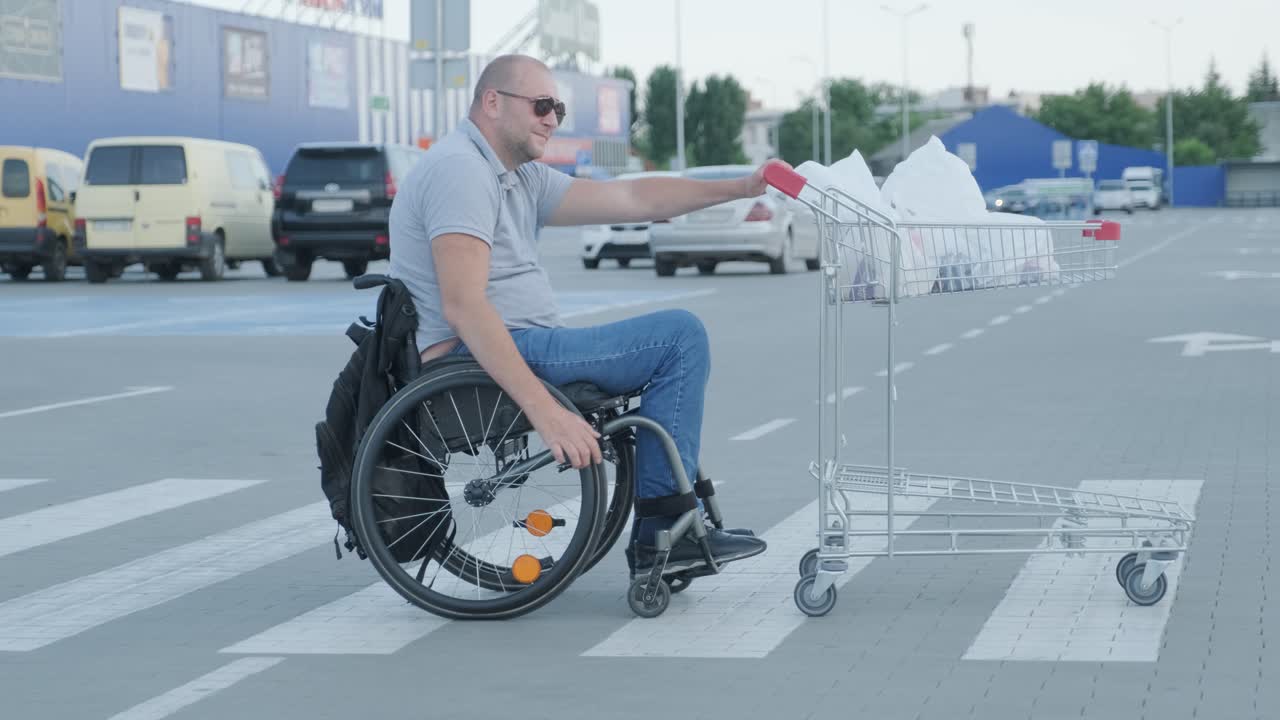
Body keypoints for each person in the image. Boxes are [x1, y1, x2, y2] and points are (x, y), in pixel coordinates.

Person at [388, 54, 771, 576]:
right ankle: (663, 527)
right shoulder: (461, 171)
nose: (552, 118)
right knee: (678, 337)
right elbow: (464, 306)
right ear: (492, 102)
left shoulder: (518, 176)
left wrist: (742, 187)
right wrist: (547, 412)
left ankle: (670, 524)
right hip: (471, 358)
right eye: (542, 105)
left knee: (674, 337)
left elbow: (634, 197)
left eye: (559, 109)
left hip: (527, 342)